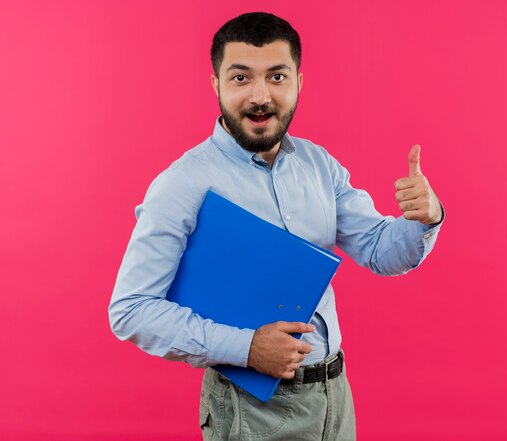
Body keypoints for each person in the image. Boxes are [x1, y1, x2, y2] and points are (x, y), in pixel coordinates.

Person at [109, 11, 444, 441]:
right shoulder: (182, 184)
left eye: (277, 77)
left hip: (335, 398)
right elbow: (131, 308)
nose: (260, 96)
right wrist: (246, 348)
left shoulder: (319, 165)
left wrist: (425, 219)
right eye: (241, 78)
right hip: (251, 410)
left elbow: (381, 251)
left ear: (299, 83)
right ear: (216, 84)